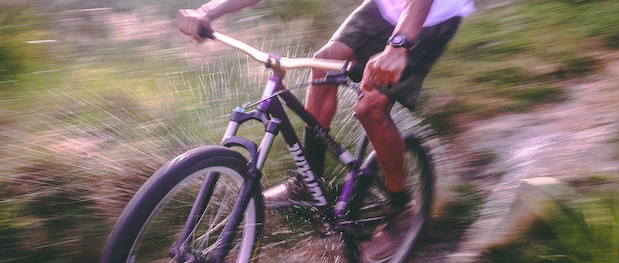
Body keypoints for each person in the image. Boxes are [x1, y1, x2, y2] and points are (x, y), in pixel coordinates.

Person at [178, 0, 474, 259]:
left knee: (371, 109)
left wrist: (398, 46)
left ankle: (400, 211)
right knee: (324, 63)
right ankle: (309, 181)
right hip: (386, 6)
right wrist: (207, 13)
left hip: (434, 14)